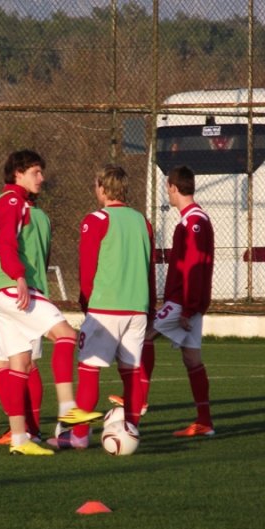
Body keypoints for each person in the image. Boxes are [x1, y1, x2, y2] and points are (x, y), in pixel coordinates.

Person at [0, 149, 101, 456]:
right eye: (35, 172)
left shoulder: (24, 207)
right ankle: (67, 408)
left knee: (19, 363)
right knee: (66, 335)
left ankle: (20, 440)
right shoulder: (12, 200)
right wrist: (19, 277)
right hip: (15, 288)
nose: (41, 177)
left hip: (5, 292)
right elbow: (3, 245)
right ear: (17, 174)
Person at [48, 164, 155, 449]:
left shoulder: (95, 219)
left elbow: (87, 269)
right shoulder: (143, 221)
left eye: (96, 184)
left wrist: (86, 303)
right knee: (132, 373)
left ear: (103, 188)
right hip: (138, 308)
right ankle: (131, 430)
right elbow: (150, 269)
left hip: (105, 308)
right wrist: (151, 308)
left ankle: (80, 436)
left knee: (89, 370)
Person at [137, 165, 216, 437]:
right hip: (189, 303)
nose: (167, 193)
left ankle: (140, 401)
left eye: (167, 187)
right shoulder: (196, 219)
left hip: (184, 303)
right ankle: (204, 422)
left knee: (142, 336)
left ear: (173, 187)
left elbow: (194, 267)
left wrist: (189, 307)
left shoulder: (192, 222)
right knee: (192, 359)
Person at [0, 283, 44, 445]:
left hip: (4, 295)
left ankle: (19, 429)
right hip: (34, 298)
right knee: (28, 363)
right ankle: (33, 430)